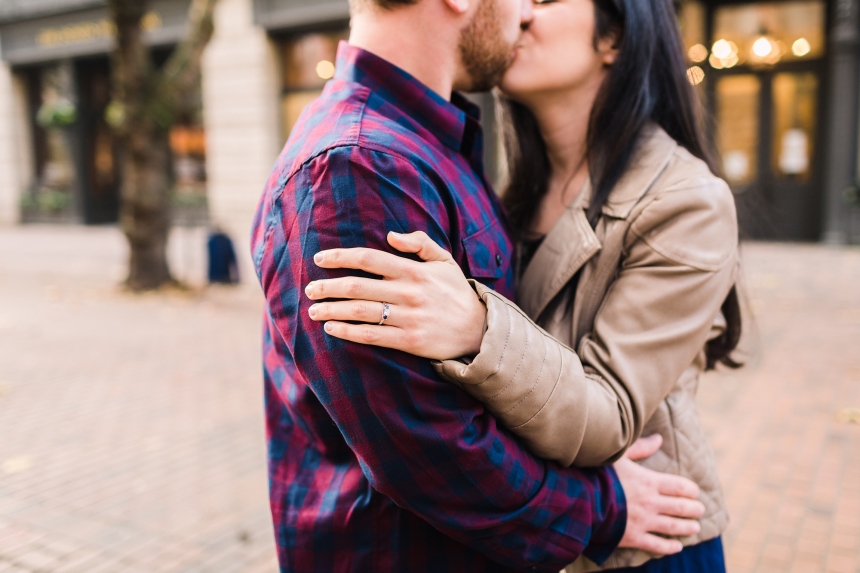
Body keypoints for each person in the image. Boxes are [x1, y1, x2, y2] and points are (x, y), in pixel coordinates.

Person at [252, 0, 708, 570]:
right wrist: (598, 508)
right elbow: (425, 444)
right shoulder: (360, 164)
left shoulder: (439, 148)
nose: (523, 13)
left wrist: (476, 326)